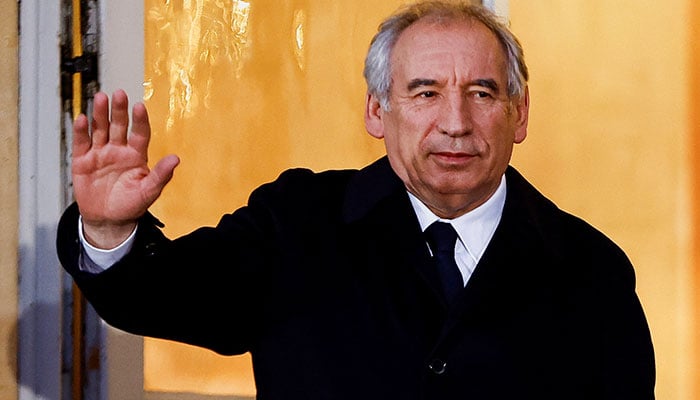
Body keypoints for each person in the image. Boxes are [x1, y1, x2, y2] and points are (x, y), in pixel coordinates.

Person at [56, 1, 655, 399]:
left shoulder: (591, 271)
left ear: (518, 114)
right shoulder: (298, 226)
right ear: (377, 110)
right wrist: (109, 231)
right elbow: (167, 296)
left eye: (482, 92)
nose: (455, 122)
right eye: (424, 92)